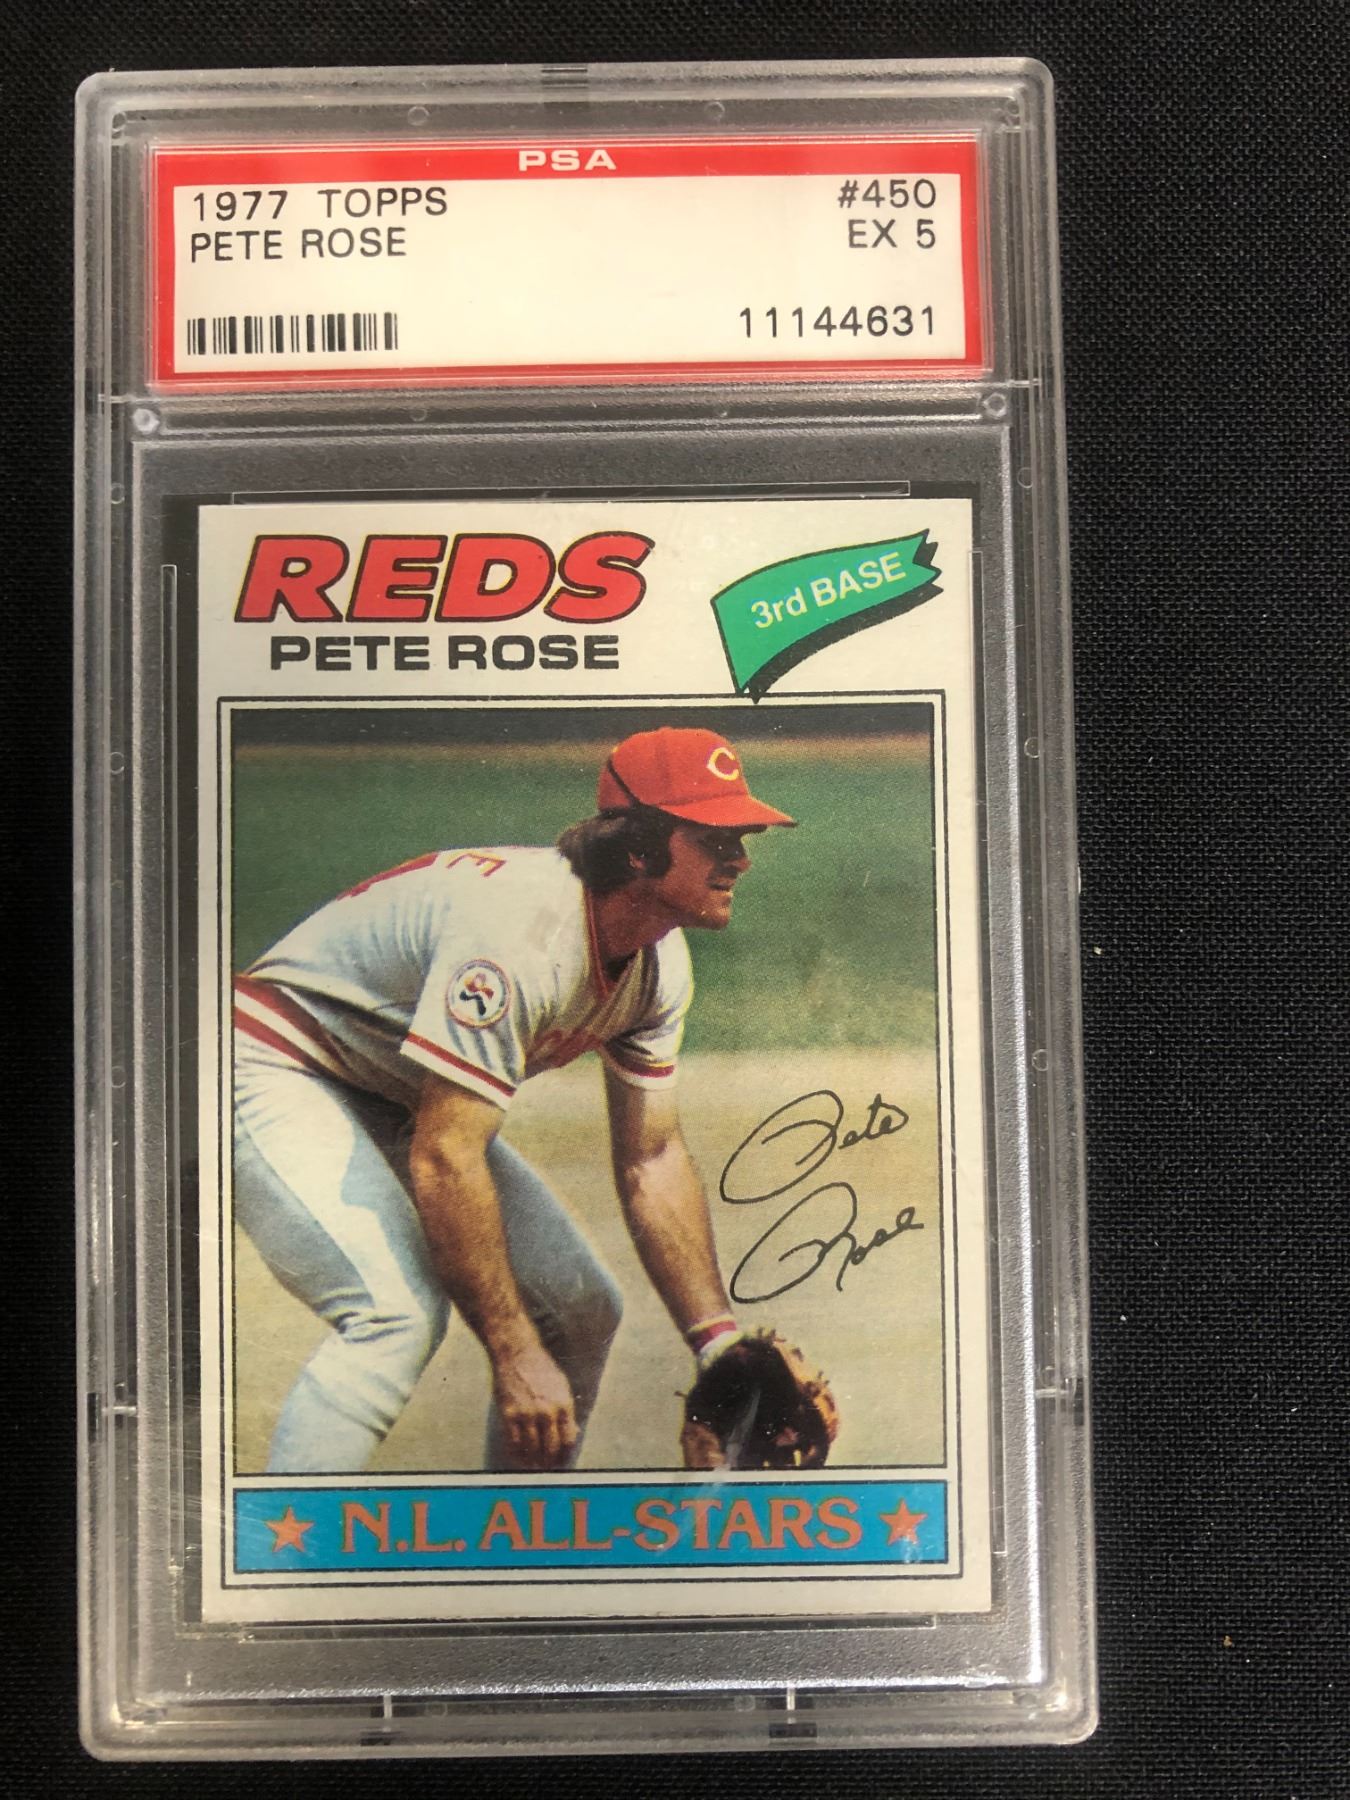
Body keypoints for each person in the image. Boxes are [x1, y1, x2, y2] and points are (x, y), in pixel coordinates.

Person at [232, 724, 796, 1473]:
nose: (740, 859)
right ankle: (282, 1538)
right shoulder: (523, 937)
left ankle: (519, 1532)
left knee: (582, 1311)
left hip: (395, 1093)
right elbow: (445, 1157)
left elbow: (652, 1158)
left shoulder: (659, 964)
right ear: (638, 849)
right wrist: (511, 1351)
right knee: (393, 1317)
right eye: (715, 838)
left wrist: (716, 1342)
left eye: (742, 838)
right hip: (274, 1063)